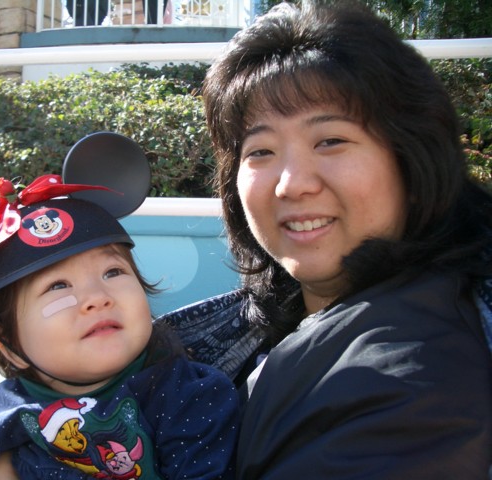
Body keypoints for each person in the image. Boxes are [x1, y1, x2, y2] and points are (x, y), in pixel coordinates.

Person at [201, 1, 492, 477]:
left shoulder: (411, 382)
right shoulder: (254, 329)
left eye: (330, 141)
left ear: (412, 160)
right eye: (261, 150)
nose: (291, 184)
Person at [0, 134, 239, 479]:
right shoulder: (6, 415)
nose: (97, 297)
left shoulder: (191, 398)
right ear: (10, 346)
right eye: (57, 286)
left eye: (113, 271)